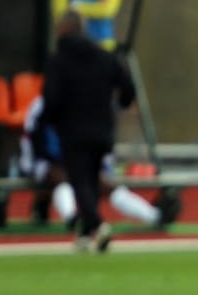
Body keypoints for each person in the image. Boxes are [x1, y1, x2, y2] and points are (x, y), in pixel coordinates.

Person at [40, 10, 136, 252]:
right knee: (91, 180)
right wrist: (117, 107)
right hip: (103, 129)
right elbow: (128, 87)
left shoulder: (59, 61)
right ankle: (84, 235)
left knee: (79, 179)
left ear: (63, 30)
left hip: (73, 130)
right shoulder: (104, 56)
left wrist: (50, 122)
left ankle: (98, 225)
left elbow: (51, 99)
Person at [19, 93, 178, 230]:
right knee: (62, 179)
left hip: (80, 162)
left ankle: (155, 217)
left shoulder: (89, 104)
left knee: (106, 186)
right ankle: (72, 218)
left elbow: (99, 140)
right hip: (47, 163)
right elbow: (30, 138)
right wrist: (31, 167)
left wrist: (101, 166)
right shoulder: (42, 105)